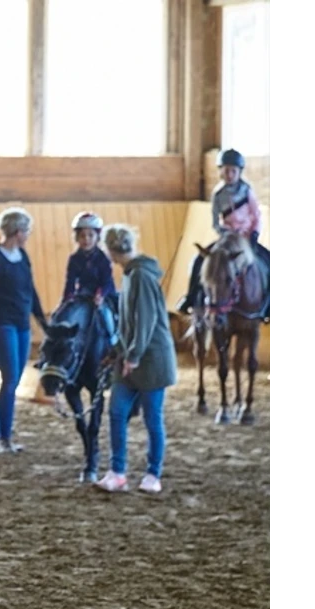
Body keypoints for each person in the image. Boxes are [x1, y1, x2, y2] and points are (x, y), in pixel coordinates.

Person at [94, 224, 175, 495]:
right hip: (131, 357)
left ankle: (153, 474)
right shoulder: (131, 275)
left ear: (111, 250)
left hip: (151, 360)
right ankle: (117, 472)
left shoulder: (140, 275)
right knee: (117, 412)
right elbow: (128, 324)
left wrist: (134, 356)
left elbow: (146, 320)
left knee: (153, 418)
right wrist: (116, 351)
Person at [0, 207, 47, 453]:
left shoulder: (23, 257)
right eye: (27, 231)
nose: (28, 235)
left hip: (21, 324)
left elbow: (30, 291)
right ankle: (4, 437)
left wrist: (43, 322)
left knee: (12, 380)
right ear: (17, 231)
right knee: (10, 378)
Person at [179, 149, 271, 317]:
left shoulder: (247, 191)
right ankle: (191, 298)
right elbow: (215, 221)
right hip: (227, 237)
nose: (229, 174)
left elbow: (256, 215)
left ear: (239, 172)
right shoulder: (217, 194)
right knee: (199, 260)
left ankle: (267, 305)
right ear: (220, 171)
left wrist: (254, 233)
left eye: (233, 171)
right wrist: (225, 232)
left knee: (268, 260)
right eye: (226, 170)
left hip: (247, 235)